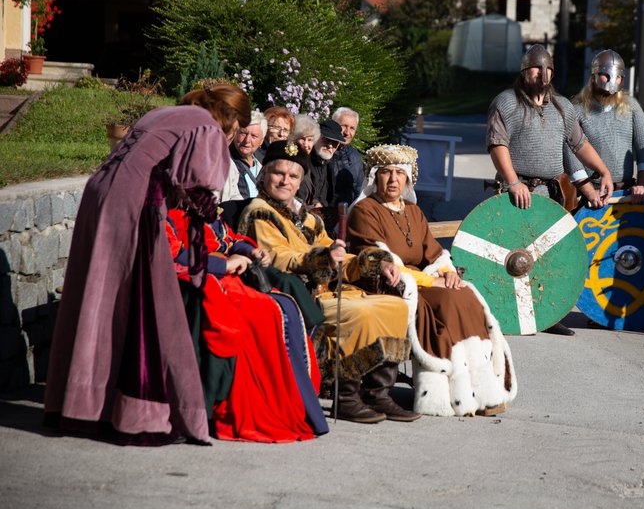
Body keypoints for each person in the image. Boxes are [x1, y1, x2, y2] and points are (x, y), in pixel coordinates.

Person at [44, 83, 251, 445]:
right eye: (237, 132)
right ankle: (137, 413)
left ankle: (83, 403)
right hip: (133, 202)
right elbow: (201, 187)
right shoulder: (206, 126)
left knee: (98, 295)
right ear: (232, 122)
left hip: (101, 194)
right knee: (143, 302)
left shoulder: (167, 112)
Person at [238, 140, 419, 423]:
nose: (285, 181)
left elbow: (339, 257)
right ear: (265, 175)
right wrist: (324, 258)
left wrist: (374, 262)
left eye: (293, 175)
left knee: (395, 306)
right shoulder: (259, 212)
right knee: (364, 312)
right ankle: (344, 396)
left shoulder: (307, 218)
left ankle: (377, 393)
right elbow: (280, 259)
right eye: (278, 174)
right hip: (297, 296)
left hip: (328, 290)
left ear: (300, 182)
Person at [348, 145, 517, 417]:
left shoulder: (413, 212)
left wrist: (447, 271)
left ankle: (480, 390)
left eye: (399, 174)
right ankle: (444, 396)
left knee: (465, 295)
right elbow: (383, 261)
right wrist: (428, 282)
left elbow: (434, 252)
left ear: (408, 179)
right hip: (392, 284)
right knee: (448, 303)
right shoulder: (365, 211)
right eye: (386, 173)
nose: (393, 180)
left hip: (422, 280)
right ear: (373, 177)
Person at [166, 209, 329, 442]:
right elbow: (173, 254)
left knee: (285, 306)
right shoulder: (169, 211)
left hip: (230, 273)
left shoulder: (207, 210)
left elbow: (230, 240)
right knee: (265, 312)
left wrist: (250, 251)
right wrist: (223, 265)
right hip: (206, 277)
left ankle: (300, 401)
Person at [487, 44, 613, 336]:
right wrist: (513, 182)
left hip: (552, 193)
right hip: (516, 191)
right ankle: (505, 311)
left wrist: (603, 171)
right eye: (534, 67)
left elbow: (579, 144)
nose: (541, 74)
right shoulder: (506, 102)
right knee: (512, 254)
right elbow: (497, 144)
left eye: (546, 69)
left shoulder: (561, 107)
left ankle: (547, 314)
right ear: (523, 70)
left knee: (549, 255)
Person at [566, 50, 644, 206]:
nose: (612, 81)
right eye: (606, 75)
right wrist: (588, 191)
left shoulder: (631, 107)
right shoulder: (577, 109)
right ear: (594, 76)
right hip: (590, 194)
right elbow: (571, 153)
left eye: (618, 76)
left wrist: (641, 185)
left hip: (625, 193)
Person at [220, 109, 266, 202]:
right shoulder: (226, 162)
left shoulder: (263, 163)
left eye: (254, 136)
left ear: (261, 141)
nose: (247, 140)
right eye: (243, 133)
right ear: (235, 133)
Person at [327, 107, 366, 210]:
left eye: (352, 128)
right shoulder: (323, 152)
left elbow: (359, 191)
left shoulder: (356, 157)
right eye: (344, 126)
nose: (347, 132)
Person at [306, 119, 346, 208]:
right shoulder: (304, 161)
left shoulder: (330, 165)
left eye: (335, 142)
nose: (330, 146)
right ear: (316, 138)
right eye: (326, 140)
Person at [293, 115, 321, 203]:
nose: (306, 144)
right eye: (302, 139)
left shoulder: (307, 163)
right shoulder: (291, 164)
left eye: (310, 140)